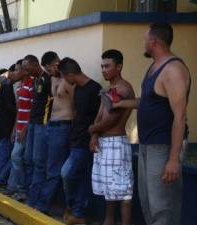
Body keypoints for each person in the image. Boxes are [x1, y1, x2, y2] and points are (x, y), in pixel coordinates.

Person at [114, 22, 191, 225]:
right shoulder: (154, 68)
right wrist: (121, 103)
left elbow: (180, 116)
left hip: (164, 146)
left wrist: (173, 159)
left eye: (144, 39)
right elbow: (148, 103)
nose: (143, 43)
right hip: (148, 144)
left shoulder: (173, 70)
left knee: (162, 206)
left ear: (153, 41)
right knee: (149, 203)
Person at [88, 49, 135, 225]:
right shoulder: (108, 89)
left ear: (119, 66)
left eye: (107, 66)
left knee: (123, 192)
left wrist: (91, 130)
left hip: (116, 143)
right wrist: (94, 135)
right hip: (104, 143)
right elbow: (100, 115)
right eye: (102, 66)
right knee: (109, 191)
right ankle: (108, 222)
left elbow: (111, 119)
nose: (103, 70)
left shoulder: (123, 88)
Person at [59, 57, 101, 225]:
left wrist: (94, 136)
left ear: (69, 75)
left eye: (64, 77)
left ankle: (76, 210)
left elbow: (99, 117)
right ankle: (76, 211)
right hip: (75, 138)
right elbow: (77, 113)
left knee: (67, 172)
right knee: (77, 175)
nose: (65, 81)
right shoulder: (77, 89)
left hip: (87, 141)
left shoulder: (95, 89)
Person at [34, 51, 74, 214]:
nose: (48, 73)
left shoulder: (69, 79)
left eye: (49, 70)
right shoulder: (53, 78)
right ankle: (39, 200)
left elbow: (75, 104)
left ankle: (44, 205)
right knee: (42, 164)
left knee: (54, 169)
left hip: (64, 125)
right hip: (51, 125)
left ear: (55, 64)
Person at [21, 54, 52, 208]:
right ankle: (29, 193)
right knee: (27, 159)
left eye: (27, 68)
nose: (26, 71)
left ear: (35, 65)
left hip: (42, 124)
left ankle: (35, 200)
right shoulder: (35, 80)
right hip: (32, 123)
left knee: (38, 162)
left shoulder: (48, 79)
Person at [6, 59, 32, 201]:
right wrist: (15, 128)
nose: (13, 73)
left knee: (18, 157)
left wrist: (24, 129)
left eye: (16, 70)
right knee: (17, 158)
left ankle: (22, 190)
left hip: (27, 129)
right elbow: (19, 111)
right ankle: (20, 189)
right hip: (19, 128)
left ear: (23, 70)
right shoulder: (18, 87)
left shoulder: (31, 85)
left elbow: (33, 110)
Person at [0, 65, 17, 190]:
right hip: (4, 122)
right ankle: (0, 179)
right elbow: (9, 105)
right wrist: (18, 111)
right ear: (11, 72)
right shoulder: (6, 83)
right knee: (2, 152)